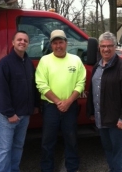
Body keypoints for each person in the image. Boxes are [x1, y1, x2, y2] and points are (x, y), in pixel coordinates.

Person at [86, 32, 122, 172]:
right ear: (99, 48)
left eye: (109, 46)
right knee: (109, 150)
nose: (106, 49)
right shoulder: (97, 66)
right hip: (102, 120)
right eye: (103, 46)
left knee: (120, 154)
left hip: (118, 122)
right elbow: (93, 91)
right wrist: (91, 112)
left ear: (115, 47)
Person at [35, 29, 86, 172]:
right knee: (47, 141)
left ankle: (72, 167)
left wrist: (68, 102)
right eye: (55, 43)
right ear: (51, 45)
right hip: (51, 107)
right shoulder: (45, 61)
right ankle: (47, 168)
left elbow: (80, 83)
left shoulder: (76, 60)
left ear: (66, 43)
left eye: (61, 42)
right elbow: (41, 84)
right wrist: (58, 102)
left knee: (71, 139)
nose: (58, 46)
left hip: (70, 107)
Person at [0, 31, 39, 172]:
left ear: (28, 44)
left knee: (18, 146)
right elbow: (0, 92)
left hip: (24, 115)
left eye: (25, 40)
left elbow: (33, 86)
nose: (22, 42)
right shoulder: (5, 64)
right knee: (4, 150)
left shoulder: (28, 63)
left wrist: (35, 105)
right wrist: (9, 113)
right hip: (8, 117)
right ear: (13, 42)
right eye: (19, 39)